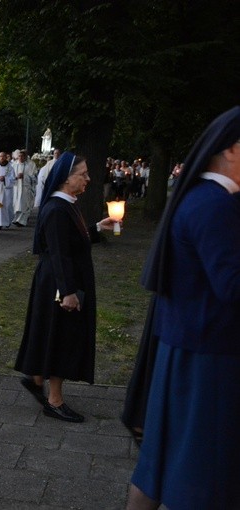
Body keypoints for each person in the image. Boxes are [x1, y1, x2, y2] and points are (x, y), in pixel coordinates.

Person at [125, 106, 240, 510]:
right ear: (230, 150)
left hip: (187, 347)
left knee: (160, 464)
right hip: (208, 358)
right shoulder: (216, 205)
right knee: (200, 471)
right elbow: (232, 285)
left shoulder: (202, 198)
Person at [14, 152, 115, 423]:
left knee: (51, 331)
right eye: (83, 174)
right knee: (62, 335)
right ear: (65, 178)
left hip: (58, 279)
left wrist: (95, 228)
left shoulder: (67, 204)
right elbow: (59, 253)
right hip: (60, 283)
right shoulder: (58, 209)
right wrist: (68, 291)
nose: (88, 179)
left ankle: (36, 378)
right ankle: (54, 400)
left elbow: (70, 241)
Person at [12, 150, 38, 227]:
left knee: (25, 204)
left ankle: (22, 221)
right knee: (16, 204)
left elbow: (35, 177)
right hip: (16, 187)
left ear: (25, 157)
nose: (20, 158)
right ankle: (16, 219)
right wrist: (16, 177)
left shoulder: (31, 165)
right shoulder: (14, 165)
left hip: (26, 187)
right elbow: (10, 177)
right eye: (19, 156)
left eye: (22, 156)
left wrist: (25, 177)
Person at [0, 151, 16, 229]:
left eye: (3, 156)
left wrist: (5, 179)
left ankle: (7, 221)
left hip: (7, 190)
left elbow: (13, 179)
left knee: (7, 205)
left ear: (6, 157)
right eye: (0, 156)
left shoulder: (10, 167)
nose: (2, 158)